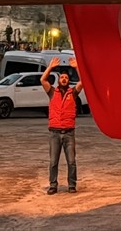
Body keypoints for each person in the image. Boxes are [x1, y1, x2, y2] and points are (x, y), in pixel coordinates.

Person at [40, 56, 83, 194]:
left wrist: (77, 67)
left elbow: (83, 81)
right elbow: (43, 80)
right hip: (54, 133)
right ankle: (53, 185)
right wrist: (50, 67)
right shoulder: (52, 92)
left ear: (68, 80)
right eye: (62, 77)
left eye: (66, 77)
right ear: (58, 80)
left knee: (71, 161)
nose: (64, 79)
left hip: (69, 133)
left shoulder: (73, 93)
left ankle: (72, 185)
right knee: (53, 161)